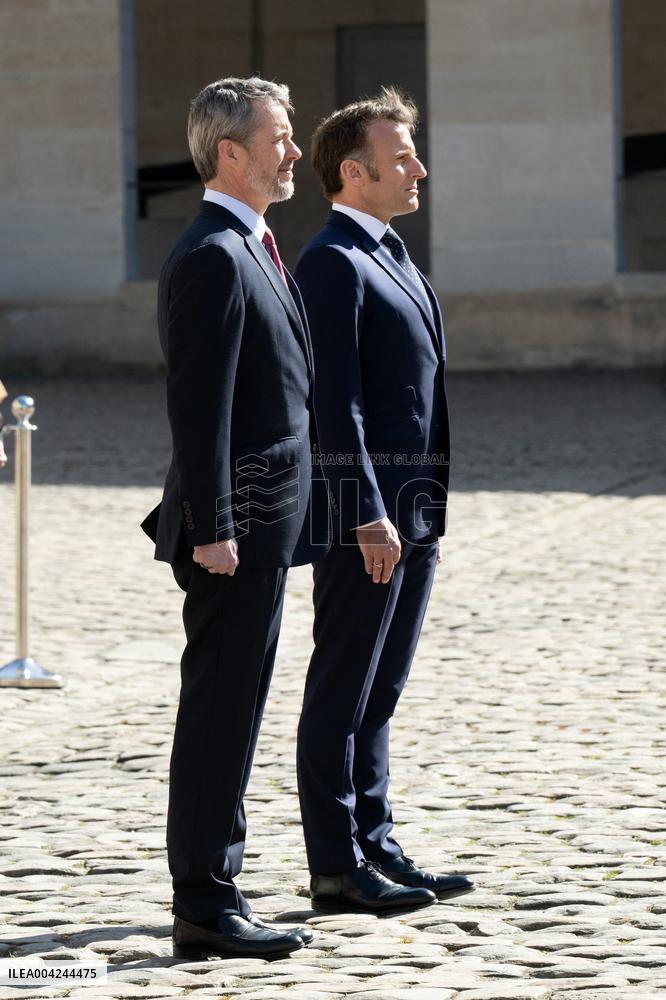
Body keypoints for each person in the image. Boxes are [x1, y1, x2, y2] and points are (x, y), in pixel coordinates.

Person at [141, 76, 323, 960]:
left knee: (238, 710)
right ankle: (206, 906)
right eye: (281, 137)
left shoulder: (252, 241)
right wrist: (213, 527)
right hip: (234, 532)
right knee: (219, 714)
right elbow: (198, 404)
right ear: (231, 154)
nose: (294, 151)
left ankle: (216, 890)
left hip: (267, 522)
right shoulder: (214, 252)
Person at [295, 88, 474, 912]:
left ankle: (376, 842)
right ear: (352, 171)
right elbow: (336, 403)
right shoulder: (332, 260)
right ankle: (335, 866)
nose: (419, 169)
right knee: (343, 687)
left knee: (383, 689)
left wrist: (420, 509)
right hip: (366, 517)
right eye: (401, 157)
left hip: (415, 512)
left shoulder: (393, 253)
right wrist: (366, 509)